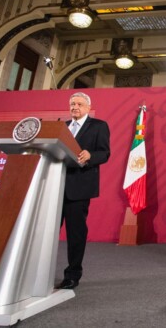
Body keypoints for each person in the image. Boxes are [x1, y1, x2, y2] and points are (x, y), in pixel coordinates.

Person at [57, 92, 111, 290]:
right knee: (47, 231)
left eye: (79, 104)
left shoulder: (98, 126)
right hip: (55, 185)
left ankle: (72, 274)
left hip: (78, 188)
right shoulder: (60, 126)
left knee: (76, 233)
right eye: (72, 104)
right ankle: (39, 273)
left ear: (88, 107)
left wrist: (90, 155)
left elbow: (105, 153)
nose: (74, 107)